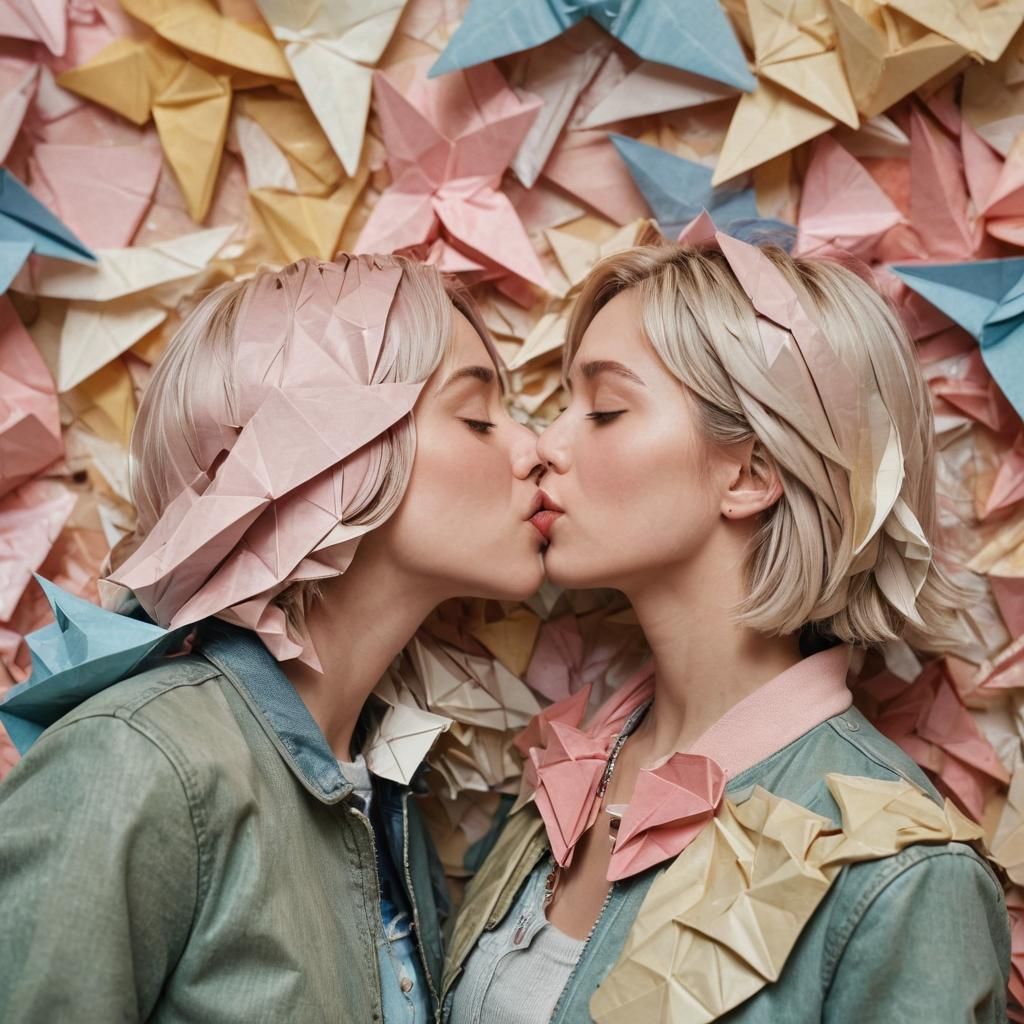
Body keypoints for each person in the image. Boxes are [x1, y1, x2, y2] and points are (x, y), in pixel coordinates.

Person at [442, 230, 1011, 1023]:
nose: (545, 445)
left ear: (748, 474)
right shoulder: (561, 775)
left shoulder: (900, 878)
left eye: (604, 409)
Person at [0, 253, 546, 1023]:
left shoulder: (386, 800)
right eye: (478, 418)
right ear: (328, 458)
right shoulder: (135, 763)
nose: (534, 449)